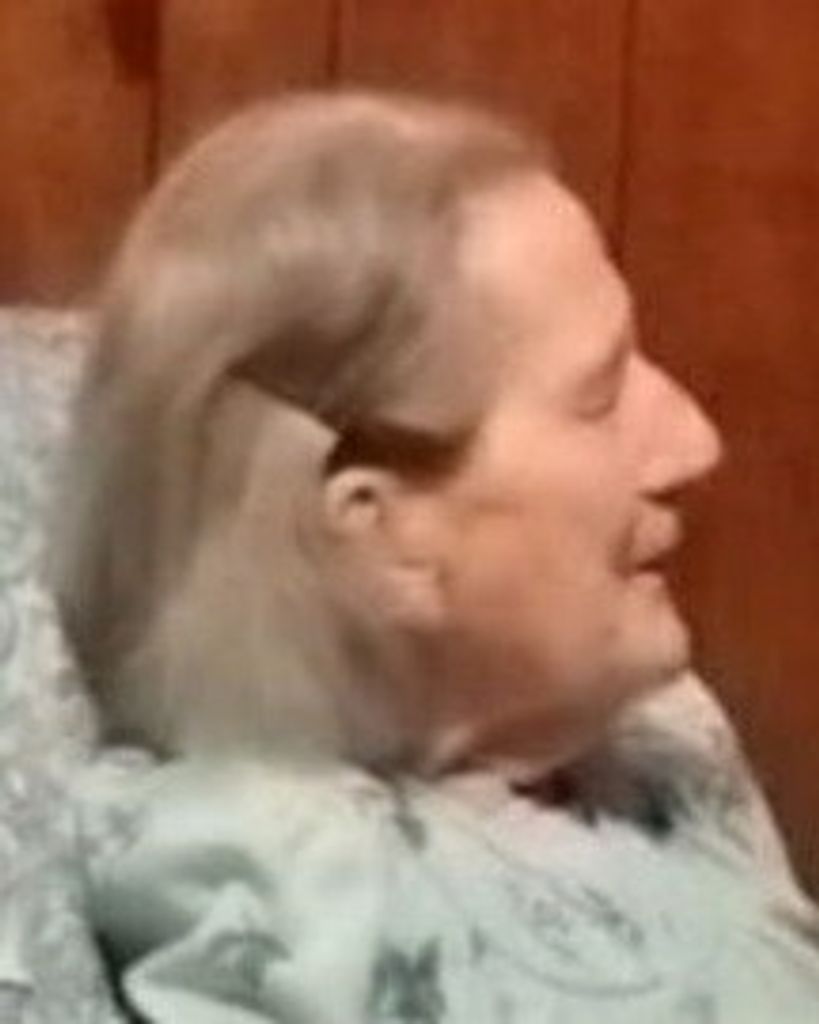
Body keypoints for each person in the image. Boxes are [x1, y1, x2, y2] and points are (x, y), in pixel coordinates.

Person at [44, 91, 819, 1021]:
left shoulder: (661, 733)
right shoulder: (289, 895)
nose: (695, 444)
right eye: (600, 395)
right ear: (383, 530)